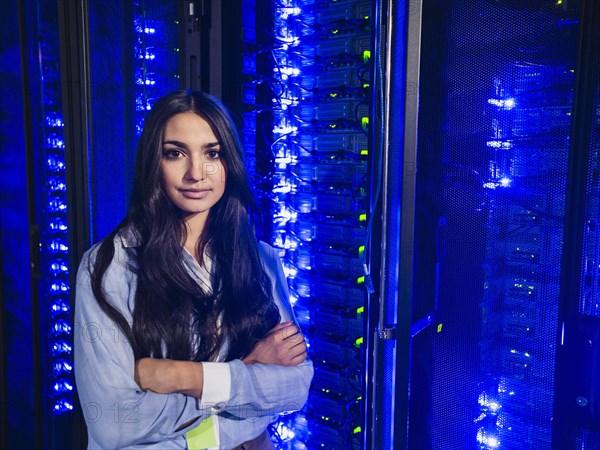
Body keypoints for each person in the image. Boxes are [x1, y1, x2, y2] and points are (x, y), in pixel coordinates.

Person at [74, 90, 313, 449]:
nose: (196, 173)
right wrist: (248, 367)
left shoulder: (260, 259)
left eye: (212, 153)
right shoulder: (110, 266)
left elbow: (295, 388)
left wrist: (181, 375)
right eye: (175, 153)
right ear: (153, 163)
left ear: (229, 161)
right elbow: (114, 422)